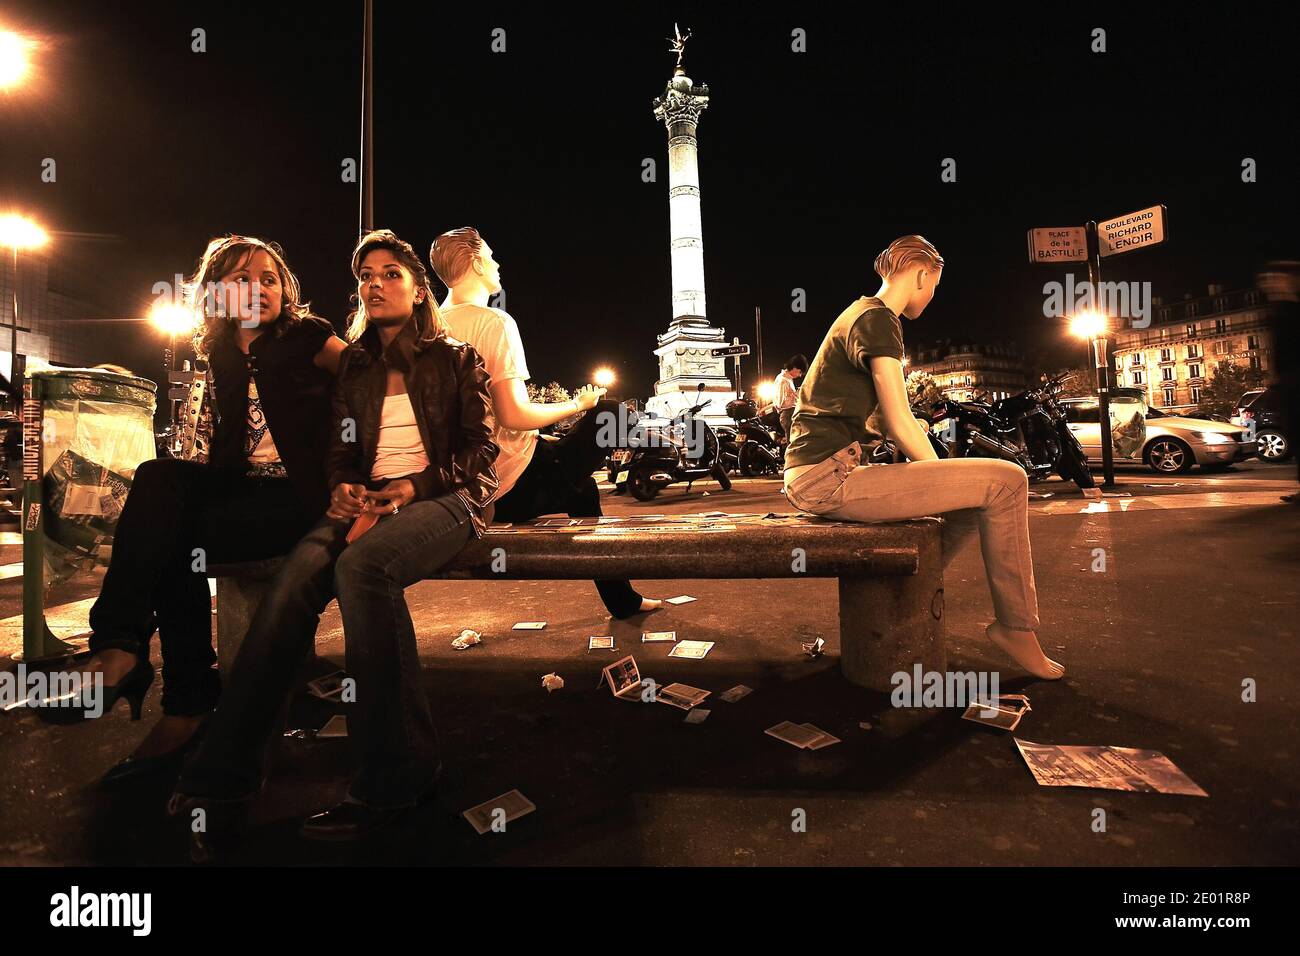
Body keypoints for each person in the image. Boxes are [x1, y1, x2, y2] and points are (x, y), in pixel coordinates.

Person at [174, 229, 499, 844]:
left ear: (417, 290)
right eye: (366, 277)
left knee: (362, 570)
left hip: (447, 499)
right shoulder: (356, 364)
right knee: (293, 583)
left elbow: (480, 452)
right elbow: (341, 448)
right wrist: (344, 487)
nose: (376, 284)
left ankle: (398, 776)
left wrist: (412, 486)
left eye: (390, 274)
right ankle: (224, 774)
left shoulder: (455, 357)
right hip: (367, 501)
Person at [41, 236, 347, 784]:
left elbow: (371, 380)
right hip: (238, 495)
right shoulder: (220, 354)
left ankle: (176, 698)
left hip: (297, 501)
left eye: (270, 277)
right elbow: (208, 453)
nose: (261, 287)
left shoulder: (309, 337)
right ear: (217, 295)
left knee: (170, 536)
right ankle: (130, 653)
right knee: (159, 486)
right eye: (242, 278)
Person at [783, 235, 1063, 680]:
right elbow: (899, 420)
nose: (933, 296)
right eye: (935, 285)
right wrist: (943, 474)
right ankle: (1016, 627)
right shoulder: (879, 320)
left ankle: (911, 583)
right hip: (827, 478)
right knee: (1008, 480)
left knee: (978, 496)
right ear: (921, 274)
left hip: (824, 471)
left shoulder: (858, 315)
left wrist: (946, 480)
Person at [429, 226, 661, 619]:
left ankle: (624, 601)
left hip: (466, 486)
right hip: (513, 481)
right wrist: (578, 403)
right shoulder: (494, 322)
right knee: (614, 412)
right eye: (491, 254)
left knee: (583, 491)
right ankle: (652, 461)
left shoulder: (431, 325)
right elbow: (514, 415)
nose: (497, 263)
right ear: (474, 261)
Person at [772, 354, 807, 445]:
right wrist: (796, 395)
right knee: (793, 442)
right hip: (788, 413)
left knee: (793, 441)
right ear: (795, 368)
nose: (799, 375)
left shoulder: (786, 379)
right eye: (799, 372)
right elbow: (781, 402)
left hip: (788, 413)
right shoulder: (784, 380)